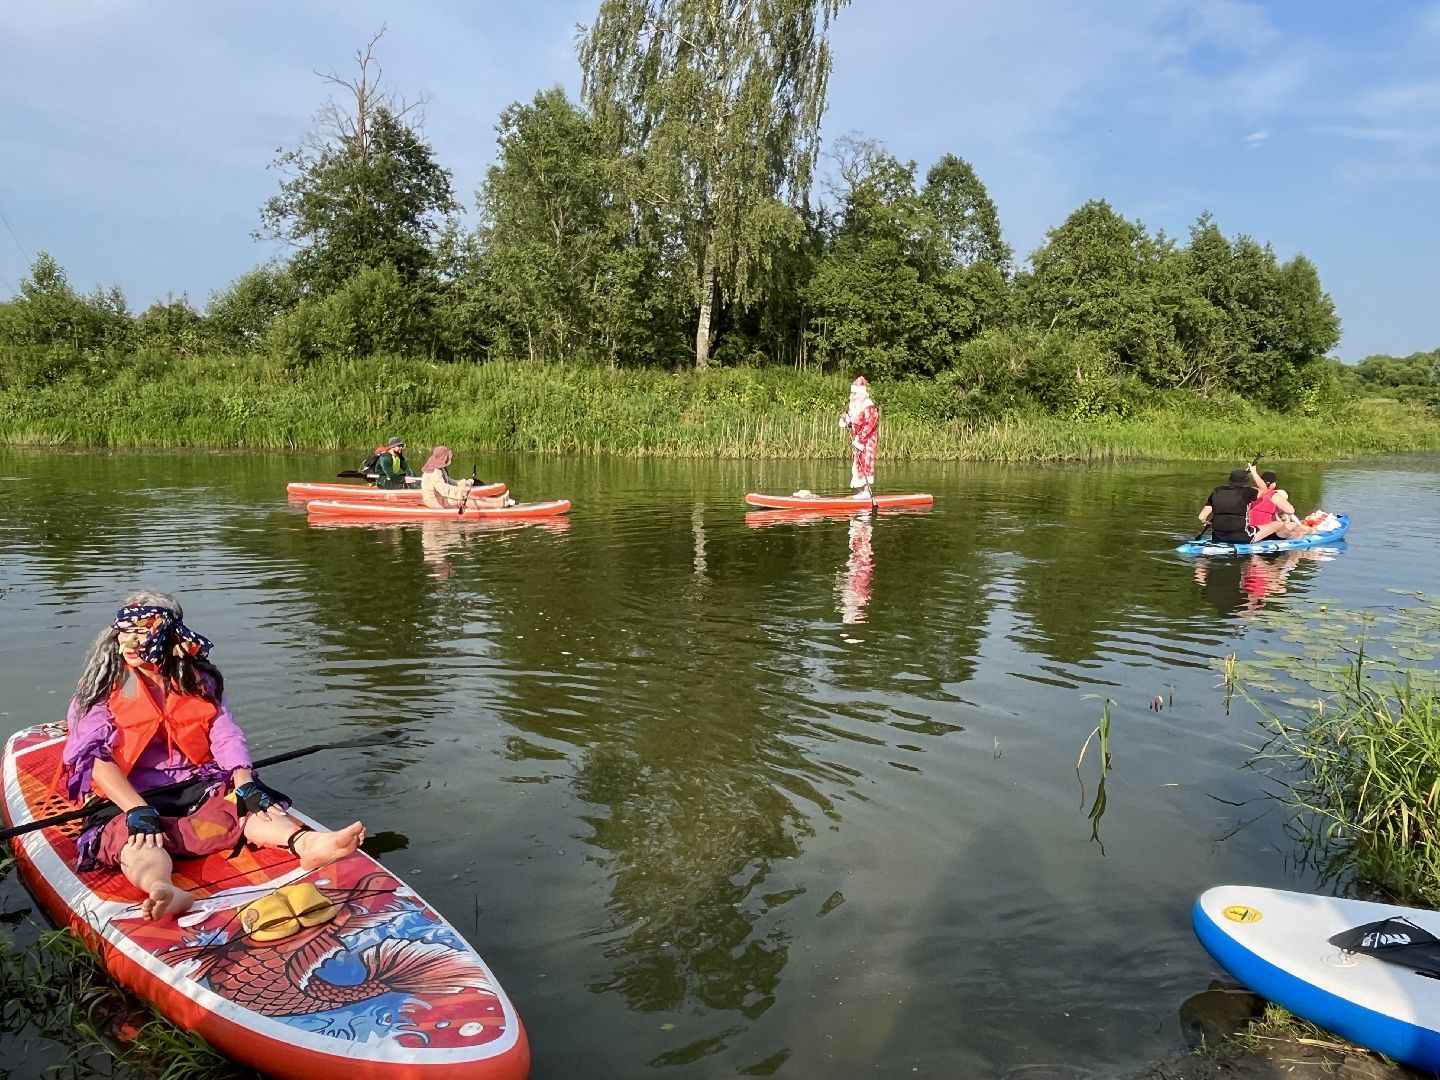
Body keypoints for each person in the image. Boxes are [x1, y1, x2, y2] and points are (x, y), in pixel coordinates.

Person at [60, 591, 366, 920]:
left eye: (143, 631)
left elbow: (225, 733)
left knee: (246, 806)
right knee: (136, 840)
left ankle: (305, 844)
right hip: (127, 797)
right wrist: (137, 809)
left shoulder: (197, 679)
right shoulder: (102, 685)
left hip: (195, 784)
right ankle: (162, 887)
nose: (130, 642)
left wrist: (244, 782)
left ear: (170, 634)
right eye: (125, 631)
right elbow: (92, 756)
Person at [419, 445, 513, 510]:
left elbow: (449, 482)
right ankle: (499, 505)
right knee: (463, 500)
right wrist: (461, 492)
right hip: (435, 501)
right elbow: (443, 489)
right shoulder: (434, 472)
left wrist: (464, 483)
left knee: (470, 495)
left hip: (441, 497)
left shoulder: (439, 468)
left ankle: (499, 500)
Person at [1243, 463, 1313, 543]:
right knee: (1295, 525)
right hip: (1266, 533)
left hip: (1249, 530)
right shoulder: (1274, 495)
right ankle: (1314, 532)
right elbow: (1290, 511)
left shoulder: (1250, 492)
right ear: (1274, 484)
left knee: (1288, 525)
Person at [838, 376, 879, 500]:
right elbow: (856, 423)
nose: (852, 395)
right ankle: (862, 490)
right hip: (859, 439)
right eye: (852, 393)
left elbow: (869, 424)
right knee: (858, 462)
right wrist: (847, 420)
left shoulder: (869, 406)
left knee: (867, 462)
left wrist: (860, 439)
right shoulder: (857, 406)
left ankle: (867, 490)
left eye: (855, 393)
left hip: (868, 440)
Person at [1196, 468, 1257, 545]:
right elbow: (1264, 490)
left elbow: (1201, 517)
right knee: (1273, 526)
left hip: (1217, 537)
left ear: (1230, 480)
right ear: (1245, 481)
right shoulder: (1248, 491)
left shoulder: (1216, 491)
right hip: (1241, 537)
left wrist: (1207, 522)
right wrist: (1254, 472)